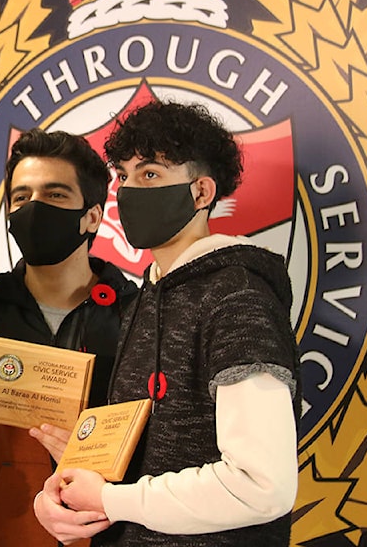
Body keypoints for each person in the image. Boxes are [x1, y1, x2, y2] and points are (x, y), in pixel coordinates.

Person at [35, 101, 300, 546]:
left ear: (201, 193)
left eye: (151, 174)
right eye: (124, 176)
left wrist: (112, 500)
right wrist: (67, 488)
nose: (129, 190)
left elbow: (262, 486)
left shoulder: (239, 297)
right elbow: (140, 460)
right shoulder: (145, 300)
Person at [0, 128, 136, 547]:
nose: (34, 208)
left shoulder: (138, 313)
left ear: (94, 217)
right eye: (21, 197)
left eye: (55, 195)